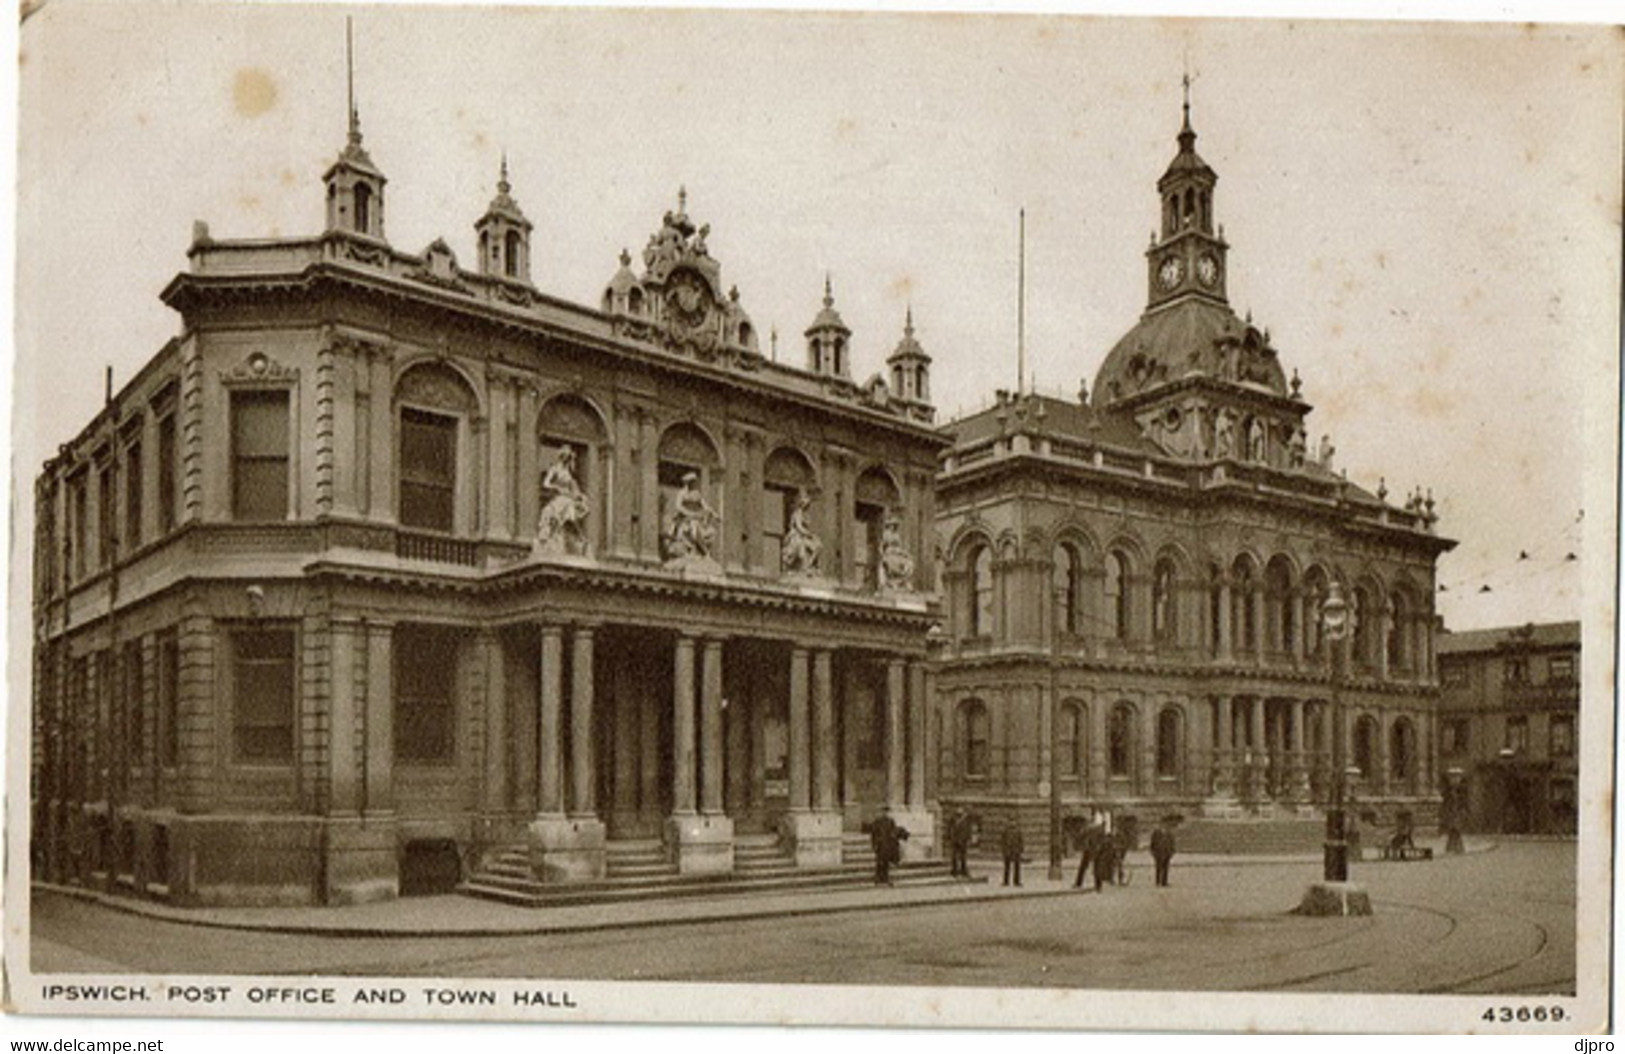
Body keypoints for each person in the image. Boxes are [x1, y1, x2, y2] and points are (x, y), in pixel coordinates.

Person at [865, 806, 908, 886]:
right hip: (881, 845)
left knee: (886, 863)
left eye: (886, 812)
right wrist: (874, 845)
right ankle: (878, 879)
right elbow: (874, 834)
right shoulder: (877, 822)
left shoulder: (891, 821)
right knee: (880, 863)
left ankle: (885, 879)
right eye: (884, 812)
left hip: (887, 845)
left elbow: (893, 831)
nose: (885, 813)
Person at [947, 807, 974, 879]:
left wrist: (968, 839)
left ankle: (963, 870)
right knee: (955, 857)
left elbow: (968, 831)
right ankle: (955, 870)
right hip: (956, 841)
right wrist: (951, 838)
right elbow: (950, 829)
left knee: (963, 857)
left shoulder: (966, 820)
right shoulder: (953, 819)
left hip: (963, 841)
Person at [1150, 820, 1177, 887]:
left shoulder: (1169, 833)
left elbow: (1172, 842)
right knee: (1158, 867)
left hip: (1167, 852)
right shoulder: (1156, 833)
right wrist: (1153, 852)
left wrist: (1172, 851)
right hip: (1158, 852)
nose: (1164, 826)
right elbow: (1152, 843)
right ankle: (1158, 881)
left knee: (1166, 867)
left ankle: (1164, 882)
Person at [1000, 817, 1024, 887]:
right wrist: (1004, 850)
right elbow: (1002, 841)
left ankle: (1016, 881)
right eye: (1011, 821)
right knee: (1007, 867)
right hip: (1008, 850)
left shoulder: (1018, 831)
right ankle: (1006, 881)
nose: (1012, 823)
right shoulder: (1005, 831)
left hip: (1016, 850)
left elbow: (1021, 841)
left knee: (1017, 867)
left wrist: (1020, 849)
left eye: (1014, 821)